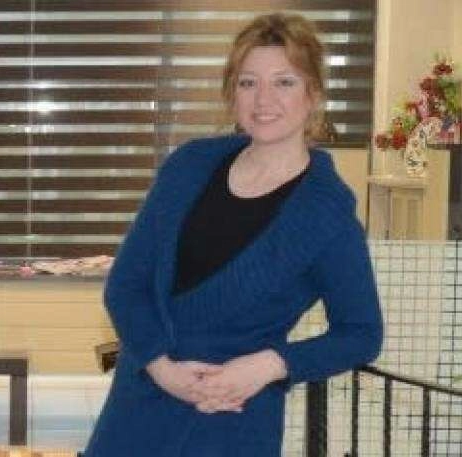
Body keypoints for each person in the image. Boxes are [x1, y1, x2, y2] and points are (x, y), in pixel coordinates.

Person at [81, 12, 383, 457]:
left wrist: (270, 365)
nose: (263, 99)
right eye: (248, 83)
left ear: (314, 94)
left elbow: (361, 333)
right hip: (140, 403)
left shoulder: (328, 215)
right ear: (231, 93)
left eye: (284, 82)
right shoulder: (189, 166)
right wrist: (162, 368)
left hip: (233, 415)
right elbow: (126, 286)